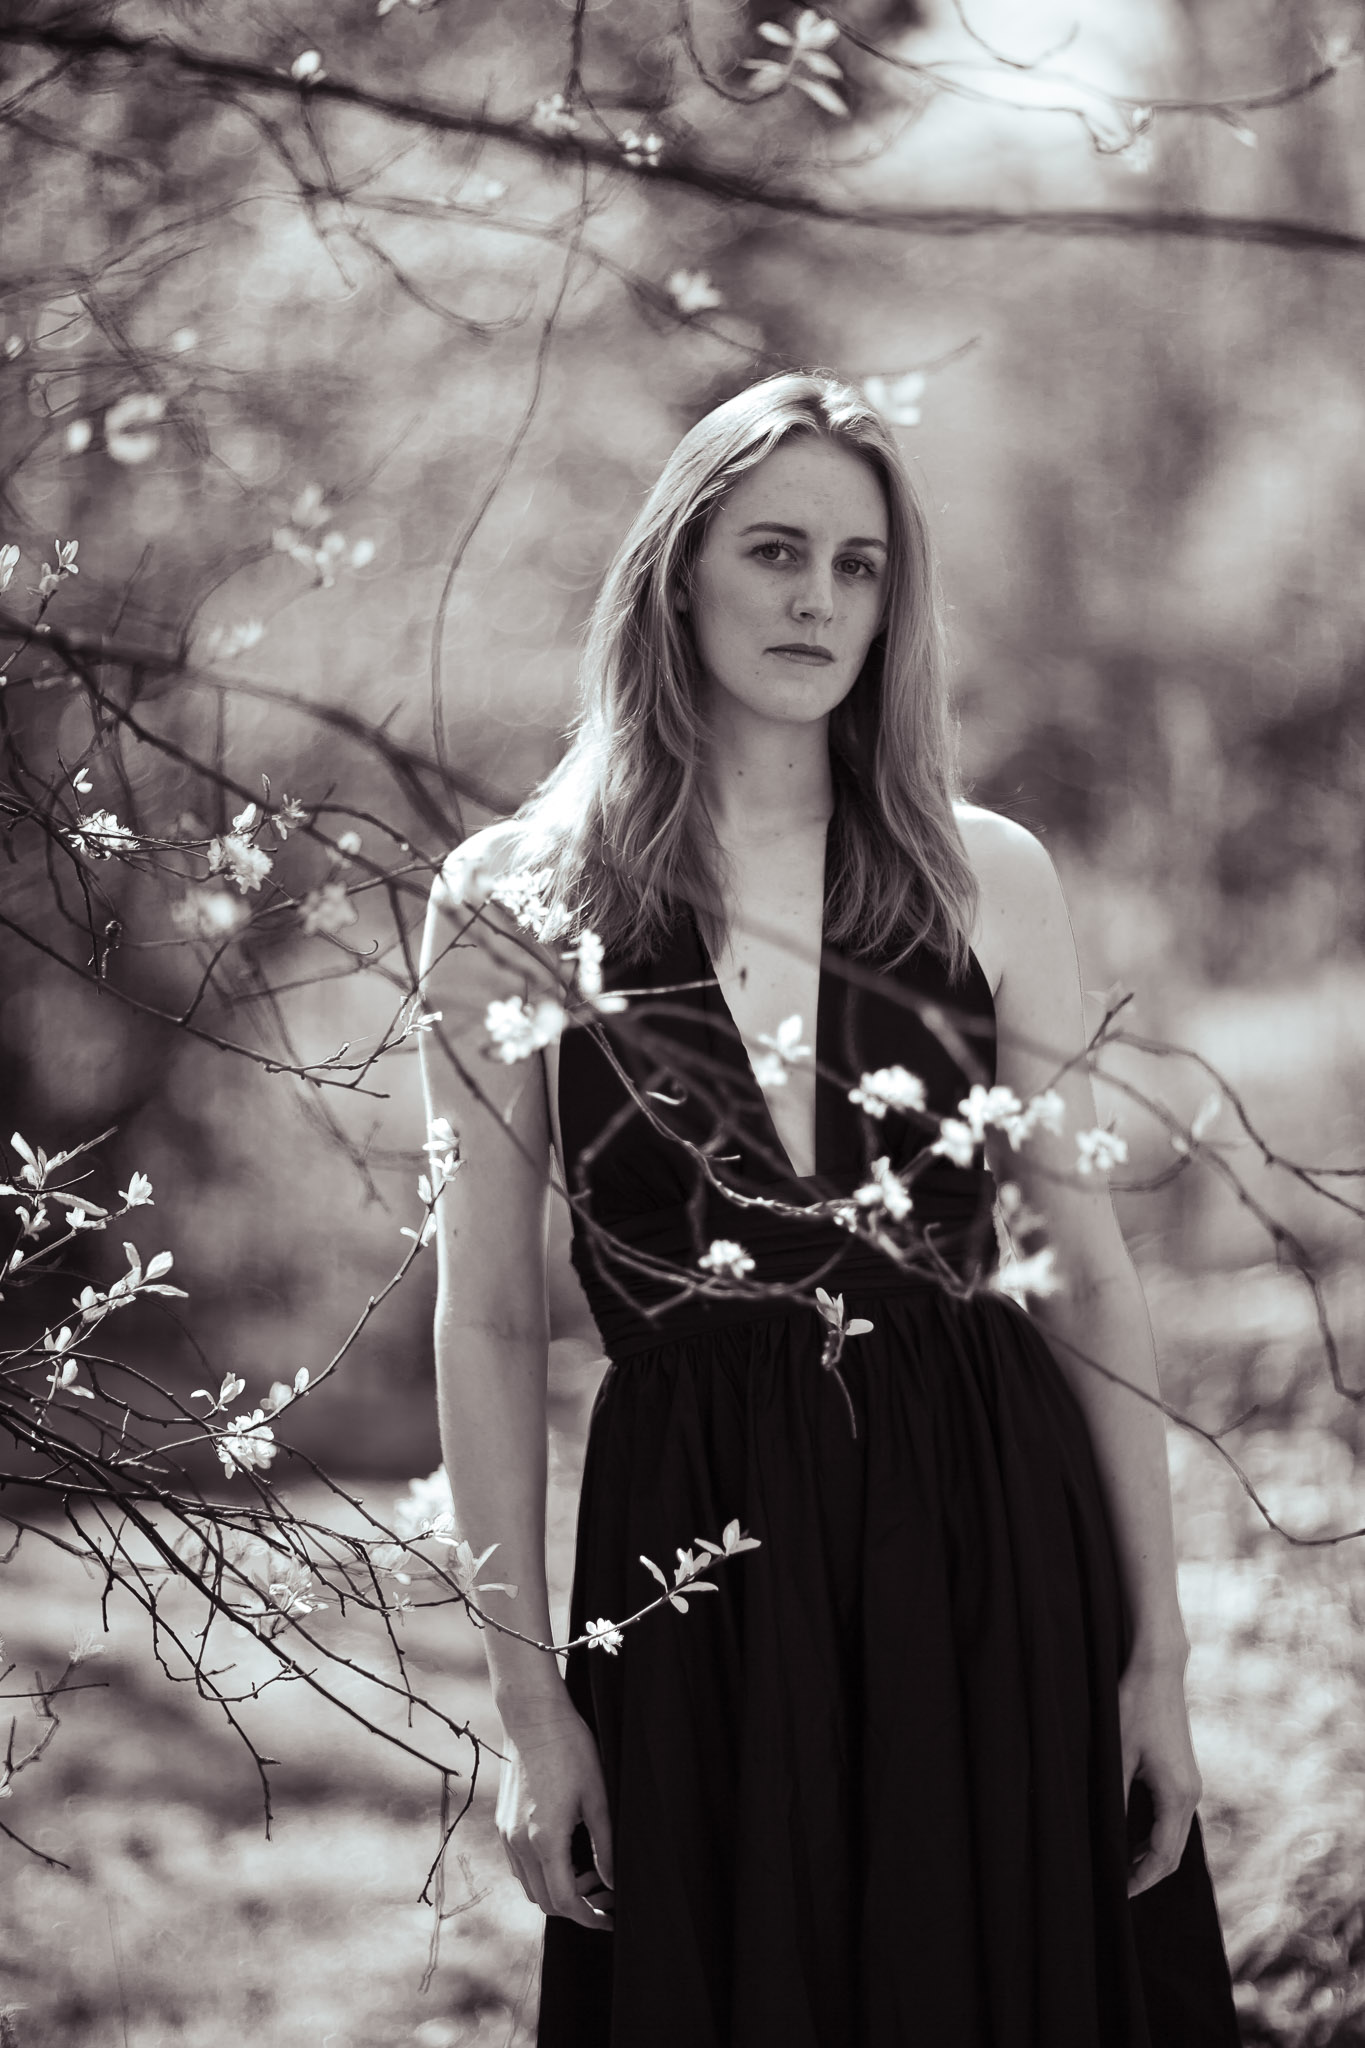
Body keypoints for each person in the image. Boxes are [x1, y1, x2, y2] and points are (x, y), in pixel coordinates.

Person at [419, 372, 1241, 2046]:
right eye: (773, 550)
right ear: (675, 574)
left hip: (983, 1539)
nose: (815, 598)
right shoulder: (513, 899)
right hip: (692, 1551)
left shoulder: (977, 870)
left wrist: (1153, 1662)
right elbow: (490, 1310)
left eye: (857, 565)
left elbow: (1082, 1274)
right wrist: (528, 1705)